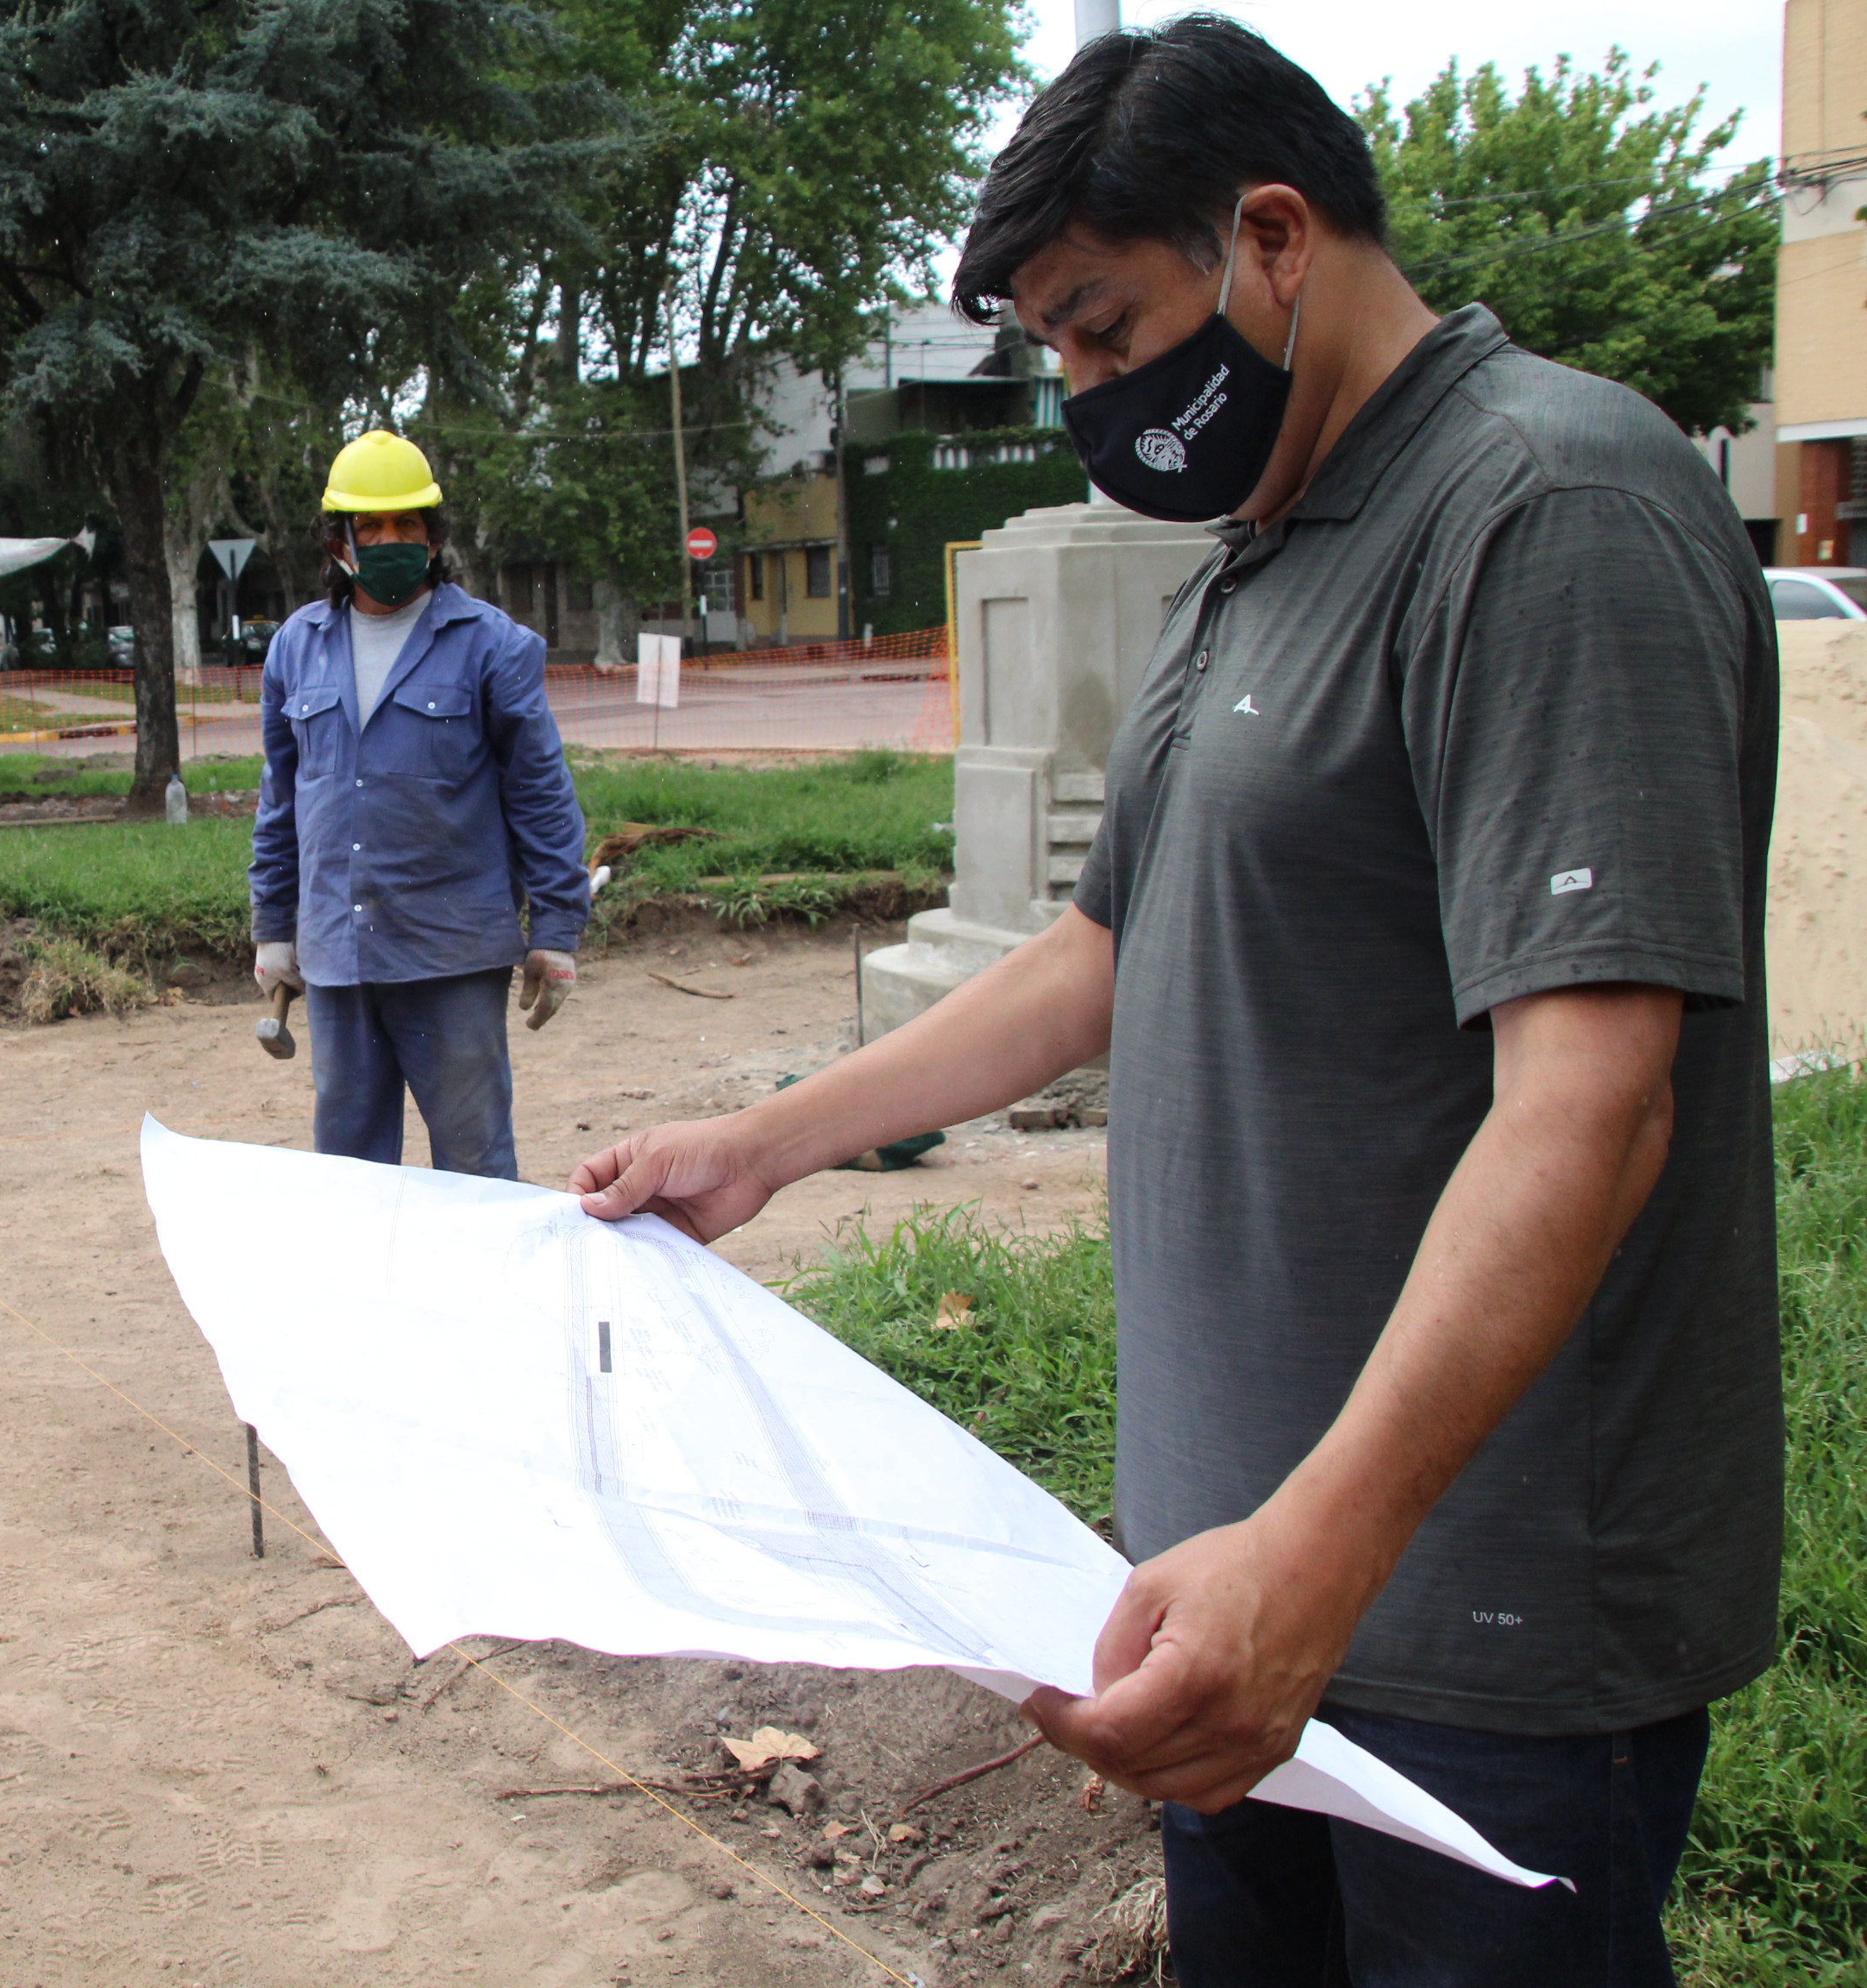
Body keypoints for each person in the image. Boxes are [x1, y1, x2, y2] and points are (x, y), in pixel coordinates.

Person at [572, 20, 1777, 1984]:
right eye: (1053, 353)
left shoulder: (1539, 512)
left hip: (1472, 1619)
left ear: (1272, 239)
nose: (1086, 395)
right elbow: (1101, 954)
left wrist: (1313, 1559)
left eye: (1105, 331)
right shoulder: (1253, 552)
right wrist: (765, 1141)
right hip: (1219, 1602)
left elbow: (1589, 1101)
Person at [249, 431, 590, 1178]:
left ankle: (483, 1300)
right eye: (370, 527)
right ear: (338, 541)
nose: (390, 541)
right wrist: (273, 927)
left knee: (475, 1167)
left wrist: (557, 931)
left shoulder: (493, 646)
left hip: (451, 955)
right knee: (349, 1174)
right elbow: (282, 801)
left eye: (407, 525)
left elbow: (540, 793)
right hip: (338, 953)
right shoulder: (295, 649)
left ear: (434, 536)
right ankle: (369, 1300)